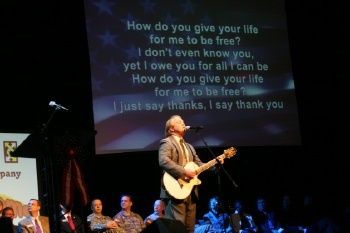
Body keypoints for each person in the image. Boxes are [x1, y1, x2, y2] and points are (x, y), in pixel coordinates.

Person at [158, 115, 224, 233]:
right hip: (174, 191)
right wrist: (183, 171)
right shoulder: (167, 142)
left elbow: (199, 165)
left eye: (183, 121)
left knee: (189, 229)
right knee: (176, 229)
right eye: (179, 122)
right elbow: (164, 161)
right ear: (171, 129)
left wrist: (216, 164)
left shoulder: (189, 147)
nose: (183, 123)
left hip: (190, 192)